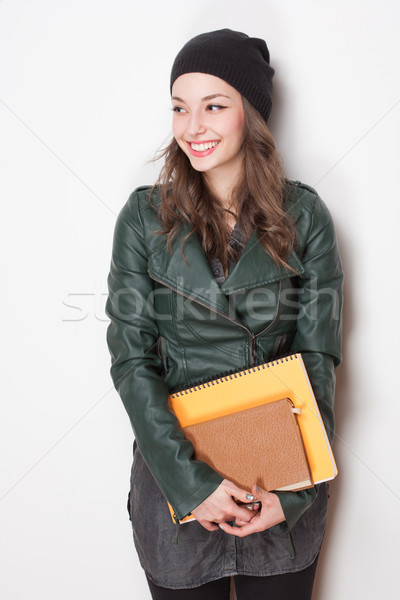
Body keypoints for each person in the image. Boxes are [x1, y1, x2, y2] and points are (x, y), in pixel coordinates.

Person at [106, 28, 343, 600]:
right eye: (180, 107)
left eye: (215, 105)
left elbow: (319, 359)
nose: (193, 127)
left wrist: (293, 494)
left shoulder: (305, 215)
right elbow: (132, 362)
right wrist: (192, 485)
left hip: (279, 474)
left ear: (252, 115)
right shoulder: (142, 218)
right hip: (177, 486)